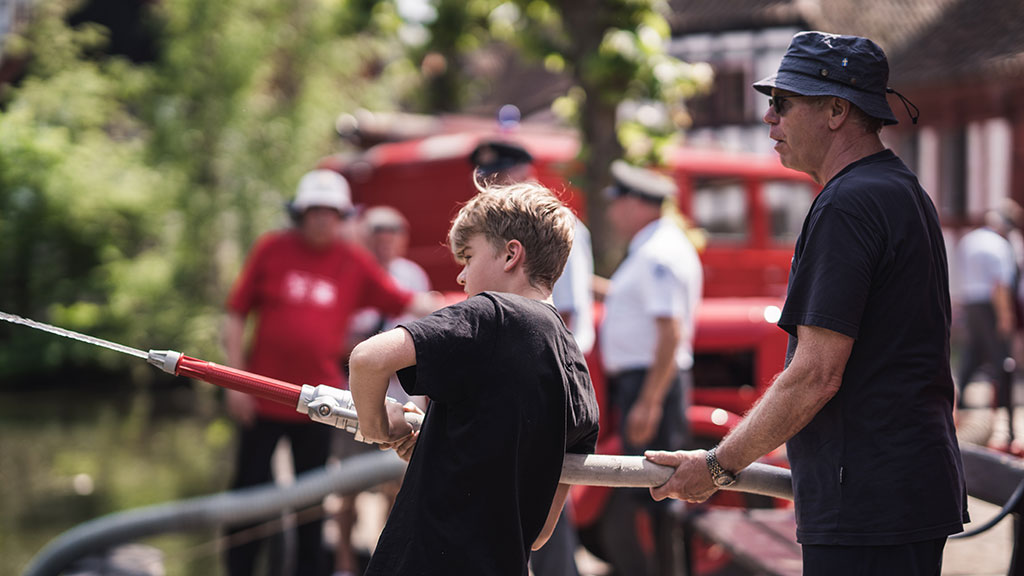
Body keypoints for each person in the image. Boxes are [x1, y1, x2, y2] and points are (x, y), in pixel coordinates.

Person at [646, 31, 969, 575]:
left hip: (870, 503)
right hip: (892, 492)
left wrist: (717, 466)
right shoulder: (897, 189)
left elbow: (815, 374)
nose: (770, 118)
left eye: (783, 102)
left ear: (837, 110)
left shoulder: (849, 203)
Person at [348, 181, 601, 576]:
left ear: (511, 255)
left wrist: (378, 425)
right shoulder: (578, 376)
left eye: (468, 257)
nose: (463, 276)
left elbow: (367, 359)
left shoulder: (493, 314)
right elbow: (538, 532)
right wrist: (436, 453)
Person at [222, 169, 439, 576]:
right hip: (262, 396)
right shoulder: (272, 249)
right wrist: (235, 383)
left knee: (312, 500)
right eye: (314, 211)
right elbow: (235, 314)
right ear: (300, 213)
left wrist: (471, 307)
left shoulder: (353, 261)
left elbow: (407, 301)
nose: (322, 219)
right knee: (247, 496)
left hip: (318, 402)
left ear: (343, 217)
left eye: (331, 212)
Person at [470, 139, 595, 576]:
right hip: (510, 375)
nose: (492, 187)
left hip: (545, 375)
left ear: (523, 171)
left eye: (500, 176)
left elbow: (570, 313)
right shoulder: (500, 231)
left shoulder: (560, 227)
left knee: (544, 492)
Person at [599, 159, 702, 576]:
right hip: (646, 380)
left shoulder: (658, 252)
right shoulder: (654, 247)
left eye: (616, 202)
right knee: (653, 496)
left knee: (661, 496)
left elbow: (670, 331)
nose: (610, 211)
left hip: (650, 380)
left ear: (637, 203)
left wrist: (649, 401)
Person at [333, 206, 432, 576]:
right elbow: (337, 340)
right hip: (354, 396)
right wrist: (376, 355)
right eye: (378, 234)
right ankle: (344, 564)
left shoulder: (414, 277)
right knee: (346, 488)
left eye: (393, 234)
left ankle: (383, 562)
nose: (385, 242)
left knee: (398, 488)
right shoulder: (351, 273)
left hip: (404, 399)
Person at [957, 202, 1020, 446]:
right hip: (991, 306)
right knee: (1002, 362)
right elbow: (1000, 285)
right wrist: (1006, 316)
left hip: (972, 304)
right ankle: (1006, 423)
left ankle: (960, 408)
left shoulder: (970, 240)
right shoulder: (999, 245)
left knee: (972, 356)